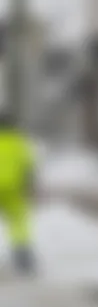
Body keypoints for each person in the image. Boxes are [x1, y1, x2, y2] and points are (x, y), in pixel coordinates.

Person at [0, 114, 35, 274]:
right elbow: (28, 165)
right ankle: (23, 257)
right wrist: (29, 184)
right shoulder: (19, 142)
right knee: (18, 222)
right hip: (15, 189)